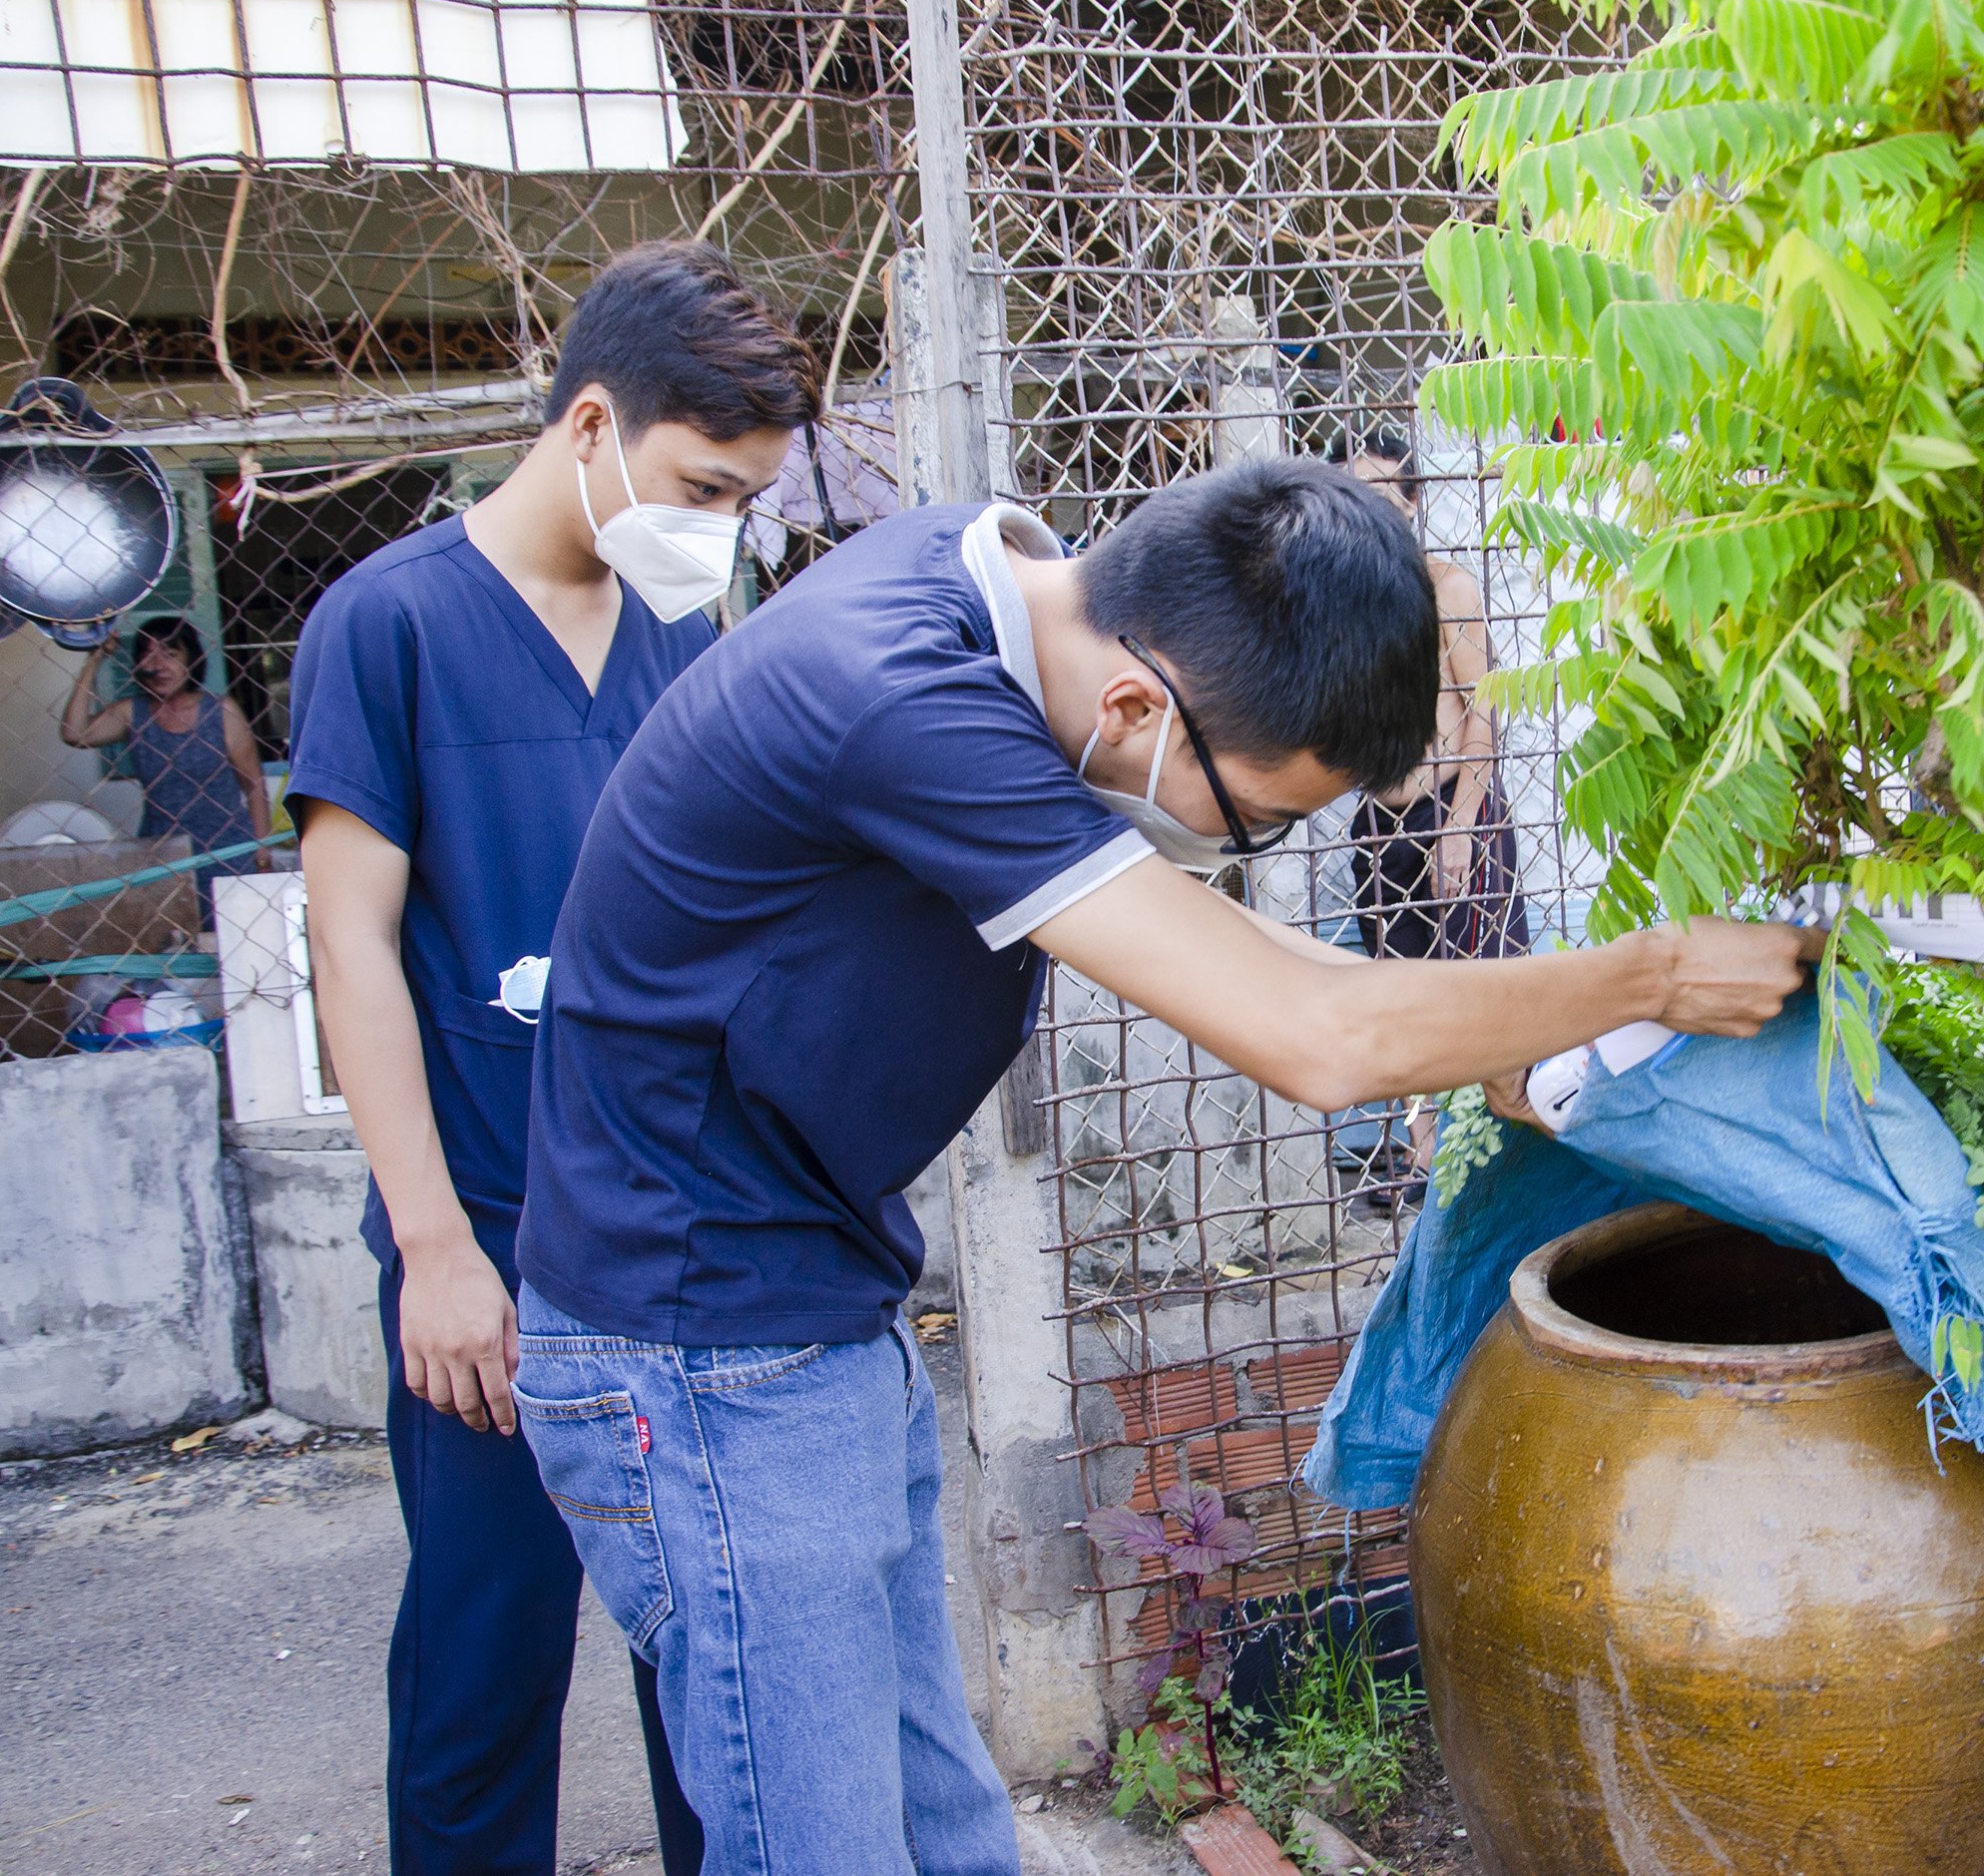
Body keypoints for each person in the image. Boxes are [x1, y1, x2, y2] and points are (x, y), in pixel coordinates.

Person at [506, 457, 1817, 1874]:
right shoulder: (904, 701)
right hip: (696, 1351)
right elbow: (1312, 1035)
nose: (1247, 857)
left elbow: (1277, 974)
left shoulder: (1004, 609)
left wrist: (1500, 1042)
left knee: (948, 1839)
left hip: (803, 1313)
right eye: (1258, 824)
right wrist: (1658, 975)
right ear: (1139, 708)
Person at [286, 239, 814, 1876]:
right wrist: (435, 1252)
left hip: (672, 1250)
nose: (718, 530)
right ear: (589, 424)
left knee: (709, 1673)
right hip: (492, 1267)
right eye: (699, 486)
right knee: (484, 1658)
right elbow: (350, 945)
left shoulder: (684, 629)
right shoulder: (387, 627)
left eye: (743, 503)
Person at [1327, 426, 1531, 1194]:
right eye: (1354, 494)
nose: (1370, 509)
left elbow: (1485, 716)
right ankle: (1427, 1158)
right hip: (1379, 825)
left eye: (1384, 494)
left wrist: (1459, 825)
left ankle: (1502, 1148)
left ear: (1411, 504)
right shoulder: (1342, 607)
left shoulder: (1447, 588)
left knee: (1481, 986)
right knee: (1402, 989)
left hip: (1454, 810)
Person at [60, 614, 268, 891]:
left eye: (170, 654)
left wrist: (262, 851)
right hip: (161, 856)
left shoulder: (221, 711)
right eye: (148, 656)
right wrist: (95, 659)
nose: (158, 666)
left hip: (228, 851)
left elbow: (254, 785)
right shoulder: (132, 712)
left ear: (190, 660)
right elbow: (74, 733)